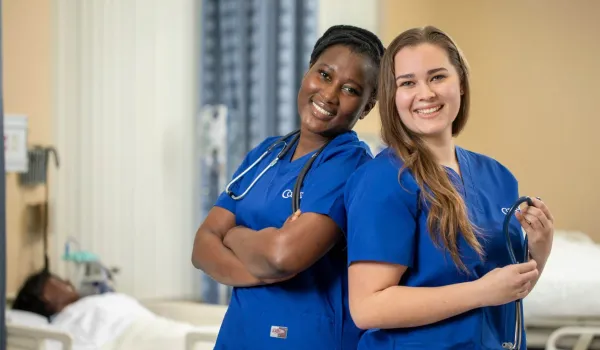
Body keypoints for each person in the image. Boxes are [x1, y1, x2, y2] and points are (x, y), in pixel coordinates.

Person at [344, 26, 555, 350]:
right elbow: (368, 307)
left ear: (461, 84)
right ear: (392, 95)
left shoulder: (498, 176)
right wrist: (481, 292)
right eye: (408, 82)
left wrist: (540, 249)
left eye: (438, 77)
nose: (426, 93)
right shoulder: (384, 179)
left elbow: (507, 291)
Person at [191, 24, 385, 349]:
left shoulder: (351, 166)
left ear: (366, 107)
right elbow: (201, 247)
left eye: (350, 89)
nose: (329, 95)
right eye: (324, 75)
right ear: (307, 72)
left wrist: (234, 235)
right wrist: (263, 264)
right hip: (239, 336)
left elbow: (283, 257)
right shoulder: (264, 155)